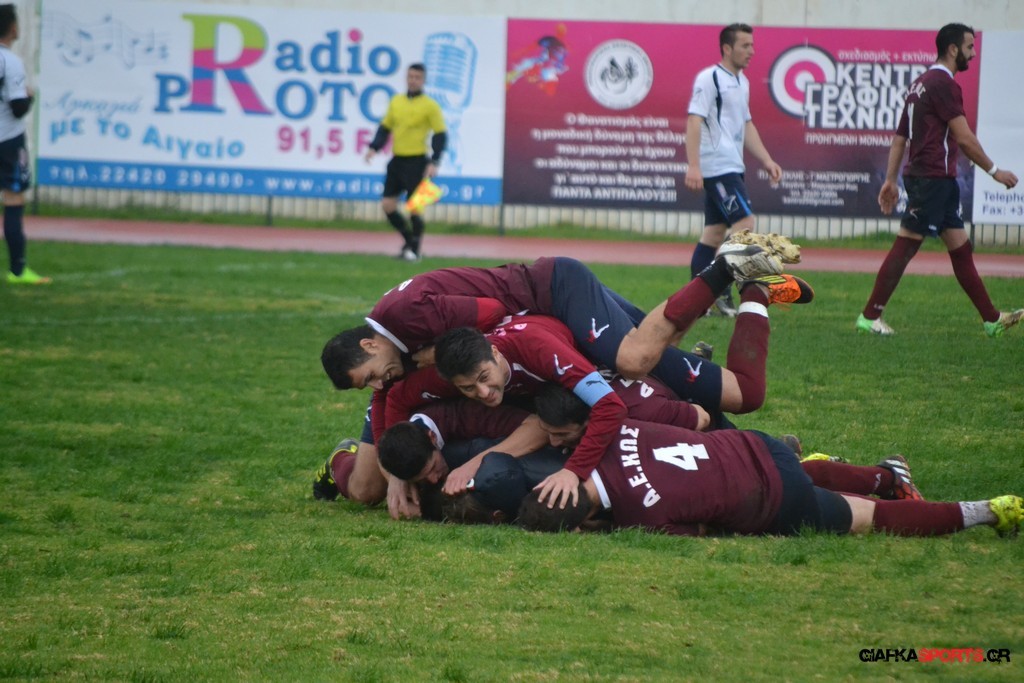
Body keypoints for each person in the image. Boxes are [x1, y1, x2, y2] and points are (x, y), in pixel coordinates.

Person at [518, 386, 1024, 539]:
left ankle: (989, 510)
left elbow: (703, 532)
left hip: (774, 500)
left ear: (581, 523)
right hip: (759, 445)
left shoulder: (639, 518)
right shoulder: (610, 435)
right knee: (797, 470)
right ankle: (887, 475)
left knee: (871, 519)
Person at [859, 23, 1022, 338]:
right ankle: (869, 317)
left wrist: (891, 180)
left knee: (961, 248)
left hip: (938, 180)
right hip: (931, 179)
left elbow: (900, 138)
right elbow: (964, 138)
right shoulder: (944, 84)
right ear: (953, 49)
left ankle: (992, 320)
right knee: (906, 244)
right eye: (969, 47)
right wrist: (995, 171)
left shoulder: (919, 84)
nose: (973, 54)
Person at [685, 23, 782, 316]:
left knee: (714, 235)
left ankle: (697, 302)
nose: (751, 51)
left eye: (752, 45)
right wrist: (694, 165)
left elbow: (746, 124)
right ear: (727, 48)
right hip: (717, 167)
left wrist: (766, 159)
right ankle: (720, 290)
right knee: (745, 223)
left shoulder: (743, 82)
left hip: (732, 166)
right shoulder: (710, 78)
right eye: (745, 46)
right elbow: (694, 120)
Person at [364, 62, 447, 262]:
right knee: (388, 205)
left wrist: (435, 161)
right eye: (410, 76)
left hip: (418, 162)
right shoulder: (396, 101)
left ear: (423, 80)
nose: (413, 80)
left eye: (417, 77)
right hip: (397, 160)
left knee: (415, 207)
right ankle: (409, 240)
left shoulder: (430, 105)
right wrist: (374, 147)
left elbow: (440, 134)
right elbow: (385, 127)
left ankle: (415, 251)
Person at [0, 4, 48, 285]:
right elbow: (17, 108)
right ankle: (18, 270)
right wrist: (29, 96)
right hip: (8, 140)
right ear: (13, 27)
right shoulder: (10, 61)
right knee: (13, 198)